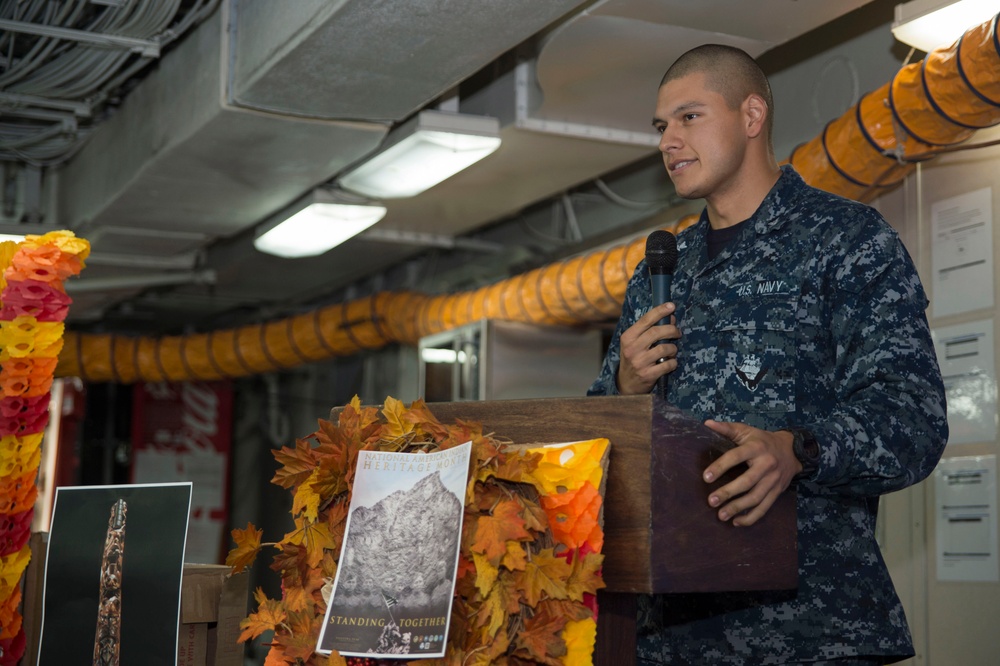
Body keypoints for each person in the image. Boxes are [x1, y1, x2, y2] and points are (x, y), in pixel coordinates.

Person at [588, 44, 948, 665]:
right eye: (661, 126)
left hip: (810, 630)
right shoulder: (660, 273)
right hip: (666, 636)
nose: (668, 140)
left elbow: (913, 417)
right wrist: (622, 389)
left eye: (689, 117)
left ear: (752, 116)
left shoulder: (846, 241)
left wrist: (797, 450)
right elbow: (597, 451)